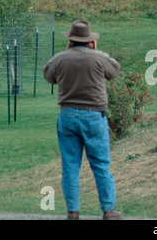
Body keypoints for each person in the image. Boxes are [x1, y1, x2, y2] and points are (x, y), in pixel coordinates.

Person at [43, 20, 123, 220]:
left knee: (70, 165)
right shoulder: (98, 57)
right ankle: (108, 210)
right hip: (94, 116)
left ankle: (73, 211)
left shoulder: (61, 58)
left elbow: (48, 75)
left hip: (67, 115)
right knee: (100, 164)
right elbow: (114, 70)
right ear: (90, 41)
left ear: (70, 40)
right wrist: (97, 52)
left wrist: (66, 55)